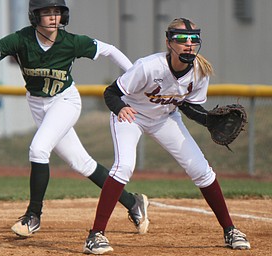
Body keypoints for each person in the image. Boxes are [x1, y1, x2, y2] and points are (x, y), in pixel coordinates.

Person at [0, 0, 149, 238]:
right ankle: (133, 202)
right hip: (38, 106)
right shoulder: (22, 39)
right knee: (82, 164)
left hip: (65, 102)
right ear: (35, 16)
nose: (53, 17)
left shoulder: (70, 42)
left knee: (38, 149)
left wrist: (134, 78)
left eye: (57, 12)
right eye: (47, 12)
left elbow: (110, 50)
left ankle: (33, 215)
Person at [83, 18, 251, 254]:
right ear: (169, 42)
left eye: (194, 40)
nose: (189, 44)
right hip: (132, 116)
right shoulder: (149, 66)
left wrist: (207, 120)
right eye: (182, 39)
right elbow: (111, 93)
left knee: (201, 170)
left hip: (165, 118)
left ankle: (230, 230)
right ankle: (95, 235)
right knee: (124, 167)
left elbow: (187, 106)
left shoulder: (200, 72)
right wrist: (121, 109)